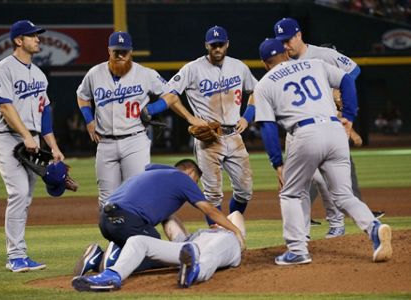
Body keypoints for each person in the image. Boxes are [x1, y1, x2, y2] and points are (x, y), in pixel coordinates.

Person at [253, 38, 392, 265]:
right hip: (335, 130)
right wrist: (348, 116)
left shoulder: (264, 84)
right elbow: (347, 79)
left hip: (305, 133)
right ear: (286, 53)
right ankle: (373, 228)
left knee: (290, 193)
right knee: (344, 195)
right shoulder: (315, 64)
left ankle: (297, 250)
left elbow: (267, 127)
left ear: (263, 62)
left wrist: (277, 163)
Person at [273, 17, 384, 239]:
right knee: (317, 180)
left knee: (322, 180)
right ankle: (329, 225)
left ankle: (332, 226)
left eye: (287, 40)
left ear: (299, 35)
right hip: (302, 127)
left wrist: (339, 93)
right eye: (281, 42)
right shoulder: (284, 63)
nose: (285, 46)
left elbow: (353, 71)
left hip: (330, 123)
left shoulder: (323, 56)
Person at [72, 159, 245, 279]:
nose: (194, 185)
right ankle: (104, 261)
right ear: (190, 172)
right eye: (196, 181)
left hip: (106, 219)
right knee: (158, 252)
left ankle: (105, 253)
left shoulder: (158, 173)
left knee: (144, 243)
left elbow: (165, 216)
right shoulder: (183, 179)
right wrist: (235, 230)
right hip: (127, 219)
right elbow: (209, 209)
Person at [77, 31, 191, 209]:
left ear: (131, 52)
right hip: (105, 142)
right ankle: (113, 238)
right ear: (109, 51)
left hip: (135, 140)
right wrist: (89, 120)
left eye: (125, 51)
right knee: (106, 200)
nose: (121, 55)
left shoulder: (145, 74)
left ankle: (137, 237)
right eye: (117, 51)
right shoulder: (95, 73)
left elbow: (171, 95)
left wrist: (154, 108)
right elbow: (82, 96)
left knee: (136, 194)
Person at [0, 20, 65, 272]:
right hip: (8, 137)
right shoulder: (3, 69)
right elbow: (4, 105)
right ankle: (14, 257)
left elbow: (45, 113)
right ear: (19, 40)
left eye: (38, 36)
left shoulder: (39, 74)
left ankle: (20, 254)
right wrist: (26, 135)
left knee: (26, 197)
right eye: (33, 36)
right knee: (19, 193)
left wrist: (53, 146)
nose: (38, 39)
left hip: (31, 140)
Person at [161, 25, 257, 222]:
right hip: (208, 139)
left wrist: (247, 116)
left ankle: (230, 222)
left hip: (234, 135)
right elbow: (169, 95)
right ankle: (217, 234)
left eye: (221, 44)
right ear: (207, 45)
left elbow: (257, 91)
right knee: (212, 195)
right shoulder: (192, 69)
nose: (217, 49)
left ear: (227, 44)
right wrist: (190, 117)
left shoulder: (239, 66)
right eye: (213, 45)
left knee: (245, 191)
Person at [72, 211, 246, 292]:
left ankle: (195, 271)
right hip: (188, 248)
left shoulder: (229, 234)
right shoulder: (192, 238)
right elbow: (168, 219)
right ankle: (112, 276)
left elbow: (237, 215)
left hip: (227, 246)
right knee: (138, 241)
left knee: (211, 253)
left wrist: (226, 226)